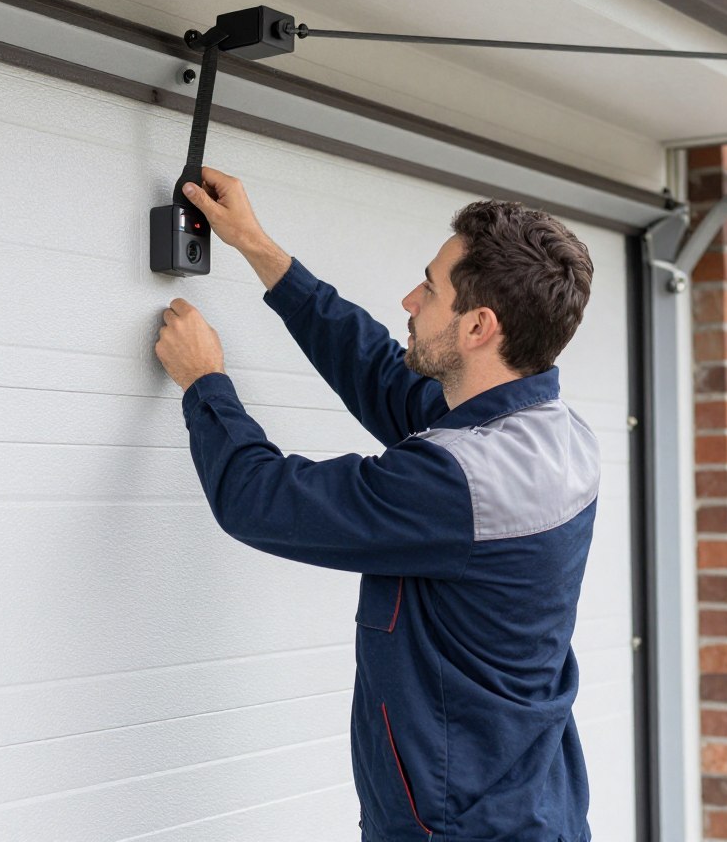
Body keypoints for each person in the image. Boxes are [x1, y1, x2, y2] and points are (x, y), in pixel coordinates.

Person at [154, 166, 598, 842]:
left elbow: (260, 500)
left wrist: (204, 381)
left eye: (430, 287)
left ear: (479, 325)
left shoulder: (459, 482)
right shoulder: (549, 433)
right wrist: (259, 249)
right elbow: (388, 380)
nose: (409, 300)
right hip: (532, 810)